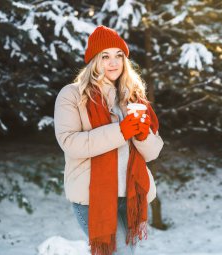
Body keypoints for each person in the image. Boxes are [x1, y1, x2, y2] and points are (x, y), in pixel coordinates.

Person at [53, 25, 164, 255]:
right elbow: (71, 143)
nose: (113, 63)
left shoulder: (132, 96)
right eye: (105, 56)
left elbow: (152, 152)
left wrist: (142, 134)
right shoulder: (72, 95)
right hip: (94, 198)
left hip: (130, 195)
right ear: (94, 60)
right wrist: (121, 131)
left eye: (119, 56)